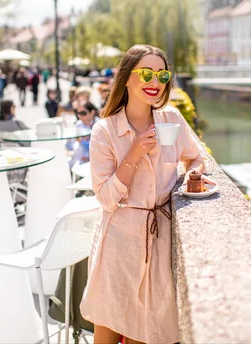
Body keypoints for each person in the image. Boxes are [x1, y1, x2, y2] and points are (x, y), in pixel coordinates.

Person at [80, 44, 208, 343]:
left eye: (162, 75)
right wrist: (134, 153)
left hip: (159, 243)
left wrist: (193, 174)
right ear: (127, 78)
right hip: (118, 243)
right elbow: (107, 198)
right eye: (146, 73)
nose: (155, 82)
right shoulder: (105, 131)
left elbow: (196, 156)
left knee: (148, 333)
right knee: (108, 332)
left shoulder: (171, 120)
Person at [67, 101, 99, 169]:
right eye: (78, 113)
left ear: (92, 112)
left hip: (93, 162)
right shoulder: (79, 124)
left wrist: (81, 141)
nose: (80, 116)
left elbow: (98, 148)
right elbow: (71, 145)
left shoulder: (99, 125)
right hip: (77, 158)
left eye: (83, 113)